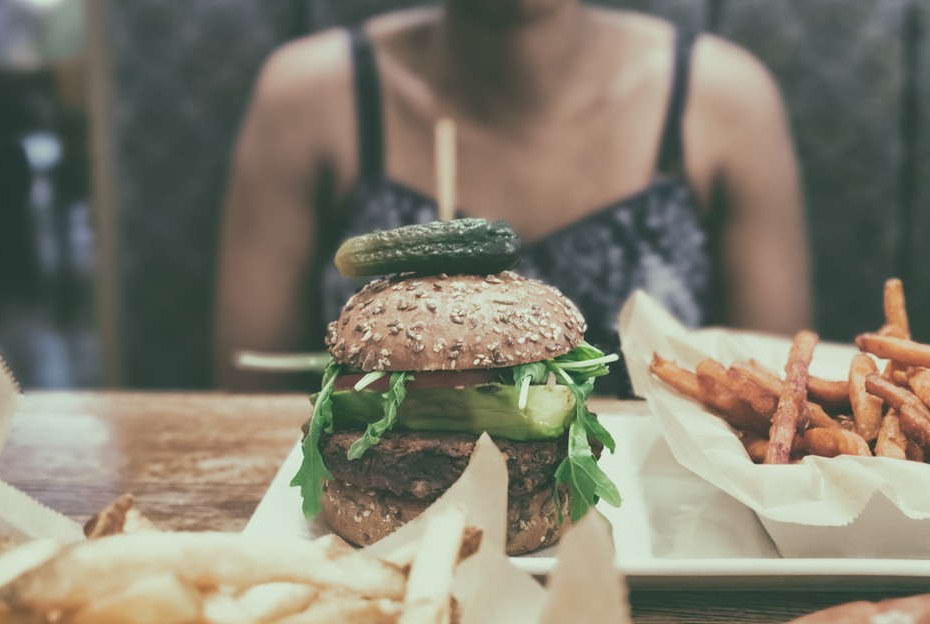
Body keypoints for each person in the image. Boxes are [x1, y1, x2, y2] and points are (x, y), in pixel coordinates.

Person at [216, 0, 811, 391]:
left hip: (672, 518)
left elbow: (775, 393)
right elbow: (244, 395)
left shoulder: (727, 100)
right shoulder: (308, 96)